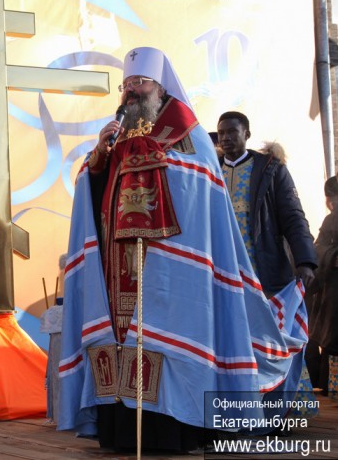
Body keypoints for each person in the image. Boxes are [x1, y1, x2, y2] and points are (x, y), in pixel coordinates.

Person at [58, 47, 307, 453]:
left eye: (139, 83)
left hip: (172, 264)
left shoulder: (188, 134)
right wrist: (99, 159)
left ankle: (172, 429)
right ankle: (121, 430)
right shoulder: (120, 134)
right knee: (120, 337)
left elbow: (195, 186)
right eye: (126, 84)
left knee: (166, 339)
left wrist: (151, 160)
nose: (131, 91)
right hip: (118, 264)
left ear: (160, 87)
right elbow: (97, 188)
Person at [216, 111, 317, 296]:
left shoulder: (271, 170)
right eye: (221, 133)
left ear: (246, 134)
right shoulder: (210, 171)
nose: (225, 138)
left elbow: (293, 217)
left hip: (262, 266)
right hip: (222, 267)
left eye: (232, 131)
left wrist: (305, 260)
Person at [306, 176, 338, 393]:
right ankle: (330, 386)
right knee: (331, 336)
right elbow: (319, 249)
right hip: (333, 289)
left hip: (333, 291)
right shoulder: (330, 221)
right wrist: (333, 256)